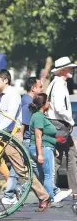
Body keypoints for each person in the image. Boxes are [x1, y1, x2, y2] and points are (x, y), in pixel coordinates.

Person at [0, 70, 50, 213]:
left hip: (11, 136)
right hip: (1, 135)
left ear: (6, 80)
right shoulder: (3, 95)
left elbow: (10, 119)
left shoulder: (12, 95)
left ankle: (43, 196)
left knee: (21, 170)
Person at [46, 56, 76, 200]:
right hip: (59, 124)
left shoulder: (53, 84)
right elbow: (59, 107)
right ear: (63, 70)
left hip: (55, 124)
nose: (71, 70)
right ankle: (71, 189)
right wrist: (70, 121)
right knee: (64, 157)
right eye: (69, 68)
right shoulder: (59, 85)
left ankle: (54, 189)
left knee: (61, 156)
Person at [29, 93, 60, 202]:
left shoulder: (40, 116)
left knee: (43, 176)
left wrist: (53, 147)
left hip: (46, 147)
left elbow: (45, 135)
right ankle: (50, 198)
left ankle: (46, 199)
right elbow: (38, 136)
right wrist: (40, 153)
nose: (49, 103)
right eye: (48, 101)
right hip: (43, 148)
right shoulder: (38, 116)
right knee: (48, 175)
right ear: (43, 104)